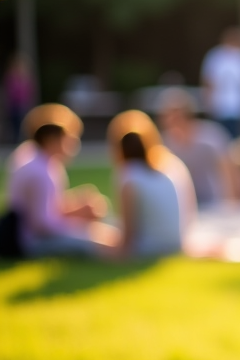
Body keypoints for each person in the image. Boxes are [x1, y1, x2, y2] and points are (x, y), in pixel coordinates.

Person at [7, 122, 117, 258]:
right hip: (34, 241)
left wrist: (78, 206)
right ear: (51, 141)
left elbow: (47, 206)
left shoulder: (38, 161)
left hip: (32, 235)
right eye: (66, 141)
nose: (72, 148)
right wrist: (78, 218)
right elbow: (43, 225)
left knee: (105, 231)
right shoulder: (41, 171)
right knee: (101, 241)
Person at [107, 110, 198, 237]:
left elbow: (128, 235)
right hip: (180, 240)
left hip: (145, 246)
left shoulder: (128, 174)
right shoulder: (173, 163)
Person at [157, 87, 237, 207]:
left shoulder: (210, 136)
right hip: (183, 206)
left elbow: (228, 169)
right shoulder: (163, 144)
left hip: (214, 203)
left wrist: (232, 201)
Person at [201, 26, 240, 139]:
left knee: (238, 139)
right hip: (220, 105)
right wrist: (208, 102)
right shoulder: (216, 56)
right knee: (221, 138)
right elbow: (209, 81)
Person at [4, 54, 35, 144]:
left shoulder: (26, 77)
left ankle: (23, 141)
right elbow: (9, 92)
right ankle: (16, 141)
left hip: (24, 105)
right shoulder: (11, 77)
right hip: (14, 105)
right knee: (15, 125)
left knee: (24, 124)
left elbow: (30, 92)